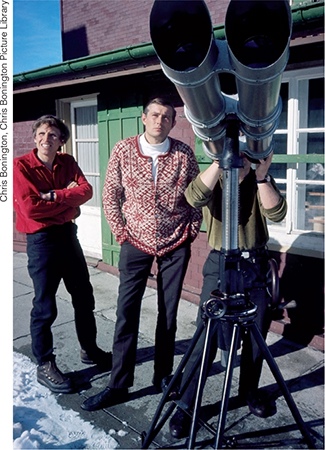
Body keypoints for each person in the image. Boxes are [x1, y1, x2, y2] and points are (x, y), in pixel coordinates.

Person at [81, 97, 202, 411]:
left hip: (175, 242)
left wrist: (191, 229)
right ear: (143, 118)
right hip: (134, 240)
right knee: (127, 312)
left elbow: (197, 194)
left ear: (173, 123)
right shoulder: (123, 149)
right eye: (155, 115)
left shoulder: (183, 153)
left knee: (169, 312)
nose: (160, 120)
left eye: (166, 116)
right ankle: (119, 384)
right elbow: (111, 193)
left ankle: (162, 376)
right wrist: (120, 231)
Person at [168, 148, 287, 439]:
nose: (240, 159)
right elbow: (193, 197)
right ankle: (185, 404)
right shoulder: (216, 179)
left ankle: (250, 391)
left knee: (256, 335)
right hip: (220, 263)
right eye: (236, 153)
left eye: (246, 155)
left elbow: (278, 213)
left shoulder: (260, 181)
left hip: (255, 264)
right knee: (206, 335)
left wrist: (261, 177)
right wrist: (219, 164)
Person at [13, 115, 112, 394]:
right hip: (42, 242)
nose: (47, 139)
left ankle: (89, 349)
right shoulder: (20, 166)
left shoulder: (67, 163)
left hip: (69, 237)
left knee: (83, 295)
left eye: (53, 135)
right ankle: (44, 363)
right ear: (34, 138)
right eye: (42, 134)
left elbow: (87, 191)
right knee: (45, 305)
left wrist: (53, 197)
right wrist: (69, 205)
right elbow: (30, 209)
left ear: (61, 141)